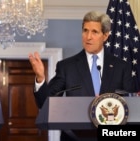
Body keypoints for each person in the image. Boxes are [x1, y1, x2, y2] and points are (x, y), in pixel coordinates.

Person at [29, 11, 137, 141]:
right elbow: (45, 102)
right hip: (75, 137)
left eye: (94, 32)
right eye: (85, 31)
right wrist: (40, 78)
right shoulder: (66, 66)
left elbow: (131, 104)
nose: (88, 37)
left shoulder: (121, 67)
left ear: (105, 36)